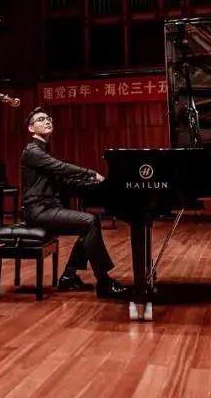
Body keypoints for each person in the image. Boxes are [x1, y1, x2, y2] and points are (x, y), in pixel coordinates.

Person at [20, 107, 128, 300]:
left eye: (49, 118)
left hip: (49, 209)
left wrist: (95, 186)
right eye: (41, 119)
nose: (47, 121)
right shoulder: (32, 151)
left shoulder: (43, 152)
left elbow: (63, 181)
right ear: (31, 128)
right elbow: (61, 168)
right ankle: (104, 282)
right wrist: (91, 174)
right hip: (38, 211)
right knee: (90, 222)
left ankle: (69, 276)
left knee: (89, 225)